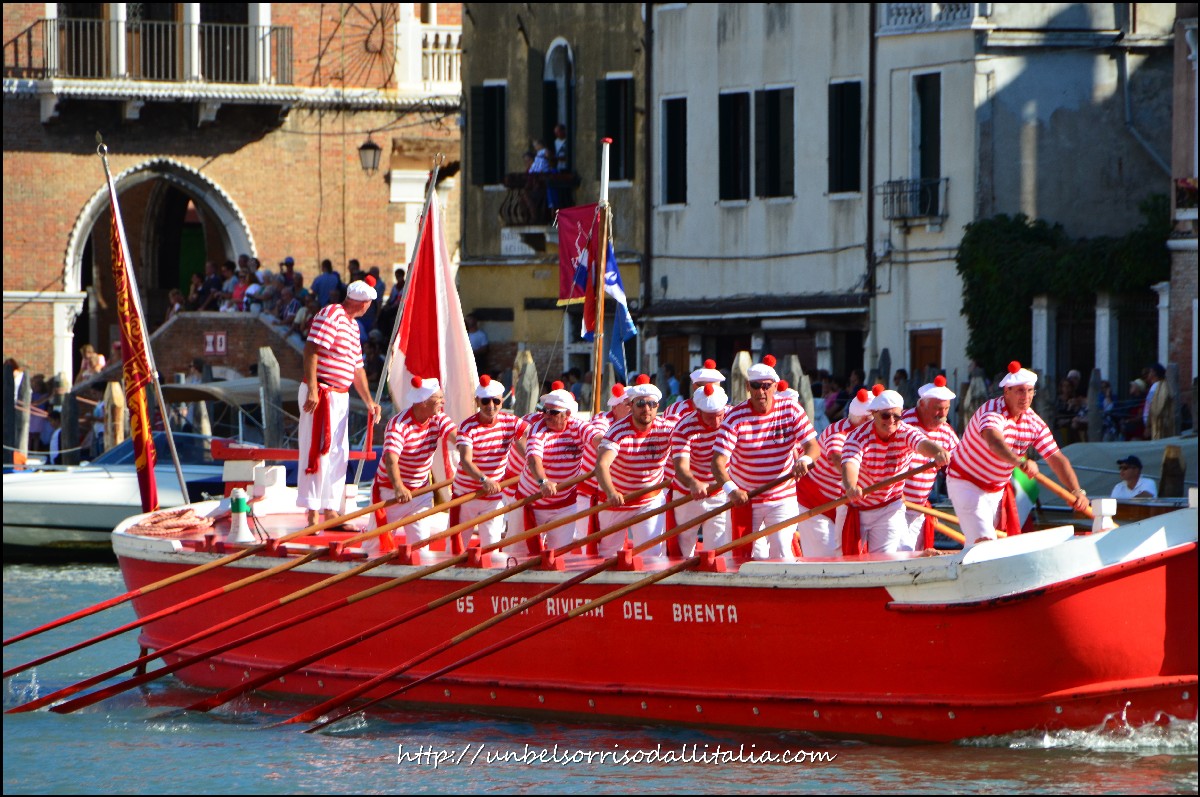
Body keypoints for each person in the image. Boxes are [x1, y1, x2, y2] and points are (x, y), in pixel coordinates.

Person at [947, 361, 1088, 549]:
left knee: (980, 544)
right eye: (1020, 391)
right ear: (1007, 392)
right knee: (984, 543)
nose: (1026, 397)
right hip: (966, 483)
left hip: (995, 490)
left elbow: (1056, 457)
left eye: (1030, 391)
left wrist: (1076, 491)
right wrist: (1020, 462)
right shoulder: (992, 411)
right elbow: (994, 442)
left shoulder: (1033, 421)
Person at [712, 355, 820, 562]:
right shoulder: (735, 417)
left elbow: (813, 447)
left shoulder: (791, 409)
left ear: (775, 387)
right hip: (746, 498)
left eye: (766, 386)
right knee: (750, 557)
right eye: (755, 386)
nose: (761, 392)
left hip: (782, 496)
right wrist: (731, 490)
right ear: (748, 387)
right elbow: (717, 462)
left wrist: (804, 460)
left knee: (781, 550)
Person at [297, 280, 382, 526]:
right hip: (321, 392)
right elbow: (311, 350)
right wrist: (313, 389)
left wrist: (369, 401)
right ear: (363, 303)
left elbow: (357, 368)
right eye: (370, 303)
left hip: (340, 396)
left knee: (338, 453)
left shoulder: (353, 326)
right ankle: (312, 512)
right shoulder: (331, 314)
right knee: (316, 450)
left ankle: (331, 509)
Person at [840, 389, 950, 554]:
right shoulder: (857, 437)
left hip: (889, 507)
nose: (891, 421)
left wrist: (938, 452)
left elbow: (922, 443)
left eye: (896, 416)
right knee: (844, 558)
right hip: (854, 506)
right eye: (885, 416)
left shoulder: (906, 431)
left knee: (884, 558)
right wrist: (851, 487)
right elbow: (850, 464)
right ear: (874, 414)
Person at [369, 378, 456, 557]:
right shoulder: (398, 425)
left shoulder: (438, 417)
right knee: (376, 546)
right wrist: (399, 487)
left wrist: (470, 449)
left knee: (420, 545)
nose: (443, 401)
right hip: (390, 491)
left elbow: (458, 437)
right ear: (424, 401)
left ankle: (418, 570)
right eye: (439, 398)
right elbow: (391, 459)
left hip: (420, 492)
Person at [595, 375, 677, 559]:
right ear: (631, 405)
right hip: (617, 499)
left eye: (652, 404)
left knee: (651, 555)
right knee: (608, 555)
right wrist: (611, 492)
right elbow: (601, 465)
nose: (646, 409)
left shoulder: (667, 429)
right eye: (641, 404)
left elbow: (687, 448)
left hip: (649, 499)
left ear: (657, 406)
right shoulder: (617, 431)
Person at [451, 375, 527, 564]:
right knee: (455, 548)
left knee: (491, 548)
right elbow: (466, 461)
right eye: (485, 401)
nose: (491, 406)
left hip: (493, 497)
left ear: (502, 401)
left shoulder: (510, 422)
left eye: (496, 401)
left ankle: (488, 576)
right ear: (477, 401)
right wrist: (484, 480)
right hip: (465, 496)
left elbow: (529, 436)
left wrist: (535, 465)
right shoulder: (467, 427)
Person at [794, 387, 874, 557]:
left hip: (840, 504)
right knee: (824, 556)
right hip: (814, 502)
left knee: (843, 554)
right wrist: (854, 484)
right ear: (865, 419)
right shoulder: (839, 433)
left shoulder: (870, 434)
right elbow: (839, 459)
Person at [516, 385, 588, 553]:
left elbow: (598, 439)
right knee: (519, 553)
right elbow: (534, 459)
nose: (546, 415)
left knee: (560, 554)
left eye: (553, 412)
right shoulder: (537, 428)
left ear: (567, 414)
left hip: (564, 504)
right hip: (531, 500)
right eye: (544, 411)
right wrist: (543, 482)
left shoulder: (579, 427)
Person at [670, 383, 732, 559]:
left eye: (719, 416)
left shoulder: (731, 417)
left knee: (718, 550)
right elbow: (681, 467)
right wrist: (694, 483)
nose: (717, 423)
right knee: (684, 548)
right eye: (710, 418)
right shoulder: (683, 427)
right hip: (687, 493)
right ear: (698, 411)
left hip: (719, 491)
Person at [900, 376, 961, 551]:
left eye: (946, 409)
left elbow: (960, 464)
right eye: (938, 408)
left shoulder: (946, 432)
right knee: (902, 553)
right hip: (895, 506)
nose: (942, 415)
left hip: (919, 508)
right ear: (922, 405)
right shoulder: (903, 424)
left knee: (913, 555)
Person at [575, 383, 631, 544]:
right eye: (627, 404)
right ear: (615, 407)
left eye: (634, 403)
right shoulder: (602, 420)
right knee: (586, 541)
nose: (632, 408)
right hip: (588, 493)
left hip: (618, 494)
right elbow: (600, 439)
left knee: (613, 543)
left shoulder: (635, 424)